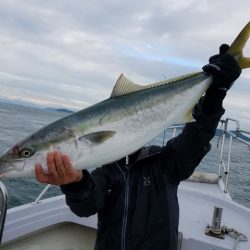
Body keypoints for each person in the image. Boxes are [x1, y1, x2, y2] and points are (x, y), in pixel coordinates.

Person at [35, 44, 241, 250]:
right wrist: (75, 183)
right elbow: (86, 207)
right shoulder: (105, 173)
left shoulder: (166, 164)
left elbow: (196, 139)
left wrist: (215, 95)